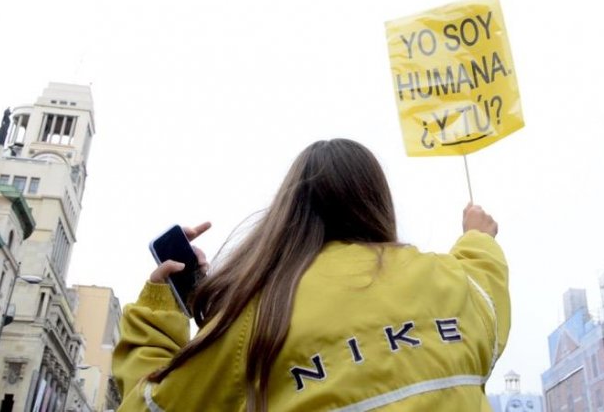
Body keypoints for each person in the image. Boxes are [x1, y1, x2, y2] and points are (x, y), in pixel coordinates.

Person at [113, 139, 509, 411]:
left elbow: (151, 404)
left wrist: (158, 308)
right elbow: (485, 279)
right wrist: (477, 235)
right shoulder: (452, 284)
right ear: (377, 201)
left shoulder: (256, 316)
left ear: (291, 209)